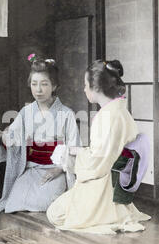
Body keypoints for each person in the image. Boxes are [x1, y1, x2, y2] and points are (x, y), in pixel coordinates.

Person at [46, 60, 151, 234]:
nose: (84, 89)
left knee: (55, 214)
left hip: (102, 184)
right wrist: (77, 151)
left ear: (95, 88)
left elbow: (98, 162)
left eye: (85, 85)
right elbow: (104, 152)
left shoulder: (107, 116)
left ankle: (107, 215)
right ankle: (114, 212)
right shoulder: (118, 110)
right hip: (112, 178)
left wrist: (73, 153)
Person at [0, 55, 80, 214]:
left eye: (44, 84)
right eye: (34, 84)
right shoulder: (26, 113)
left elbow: (74, 148)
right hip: (31, 170)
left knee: (44, 204)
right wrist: (1, 135)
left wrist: (59, 169)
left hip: (56, 170)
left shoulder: (66, 114)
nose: (38, 90)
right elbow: (13, 139)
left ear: (54, 86)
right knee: (14, 203)